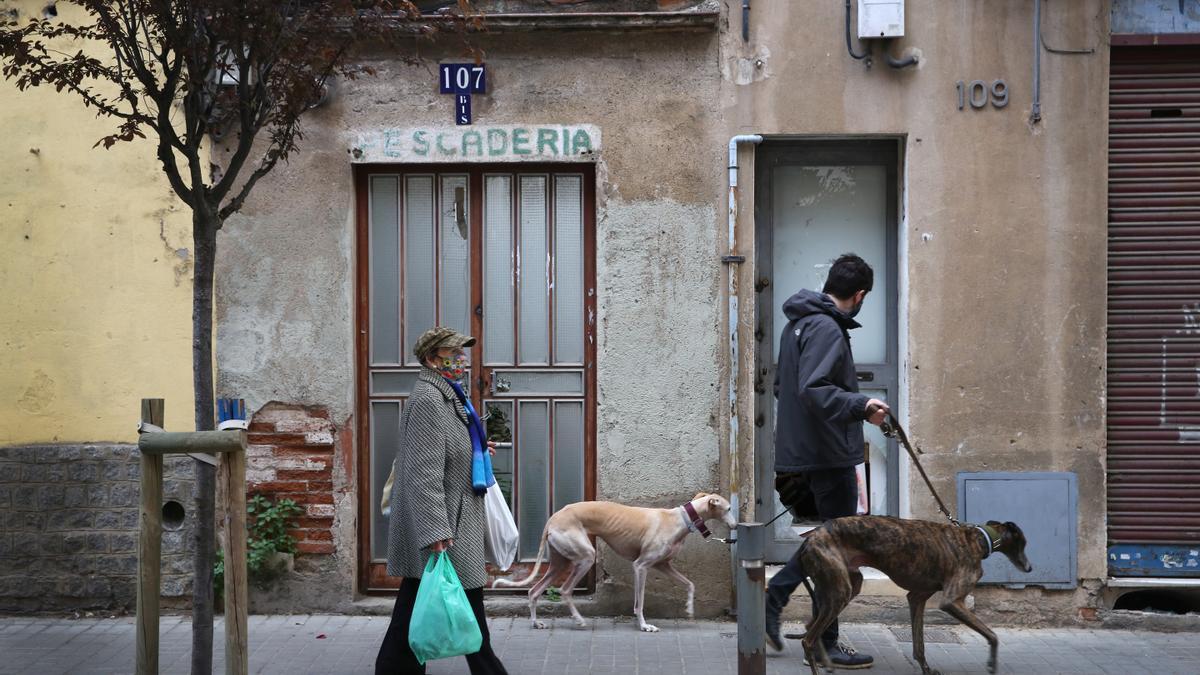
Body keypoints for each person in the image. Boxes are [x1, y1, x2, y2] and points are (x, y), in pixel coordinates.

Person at [765, 254, 888, 670]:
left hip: (799, 456)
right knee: (836, 551)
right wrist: (861, 404)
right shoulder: (828, 329)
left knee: (821, 547)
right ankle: (822, 640)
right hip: (827, 457)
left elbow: (785, 386)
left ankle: (792, 610)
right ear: (860, 295)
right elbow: (813, 388)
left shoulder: (796, 323)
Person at [375, 326, 508, 675]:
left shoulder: (449, 395)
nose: (462, 360)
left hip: (455, 517)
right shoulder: (428, 400)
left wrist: (476, 450)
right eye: (455, 353)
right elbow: (422, 470)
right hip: (443, 524)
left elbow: (448, 450)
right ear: (433, 359)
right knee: (458, 601)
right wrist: (434, 529)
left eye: (463, 353)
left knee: (418, 608)